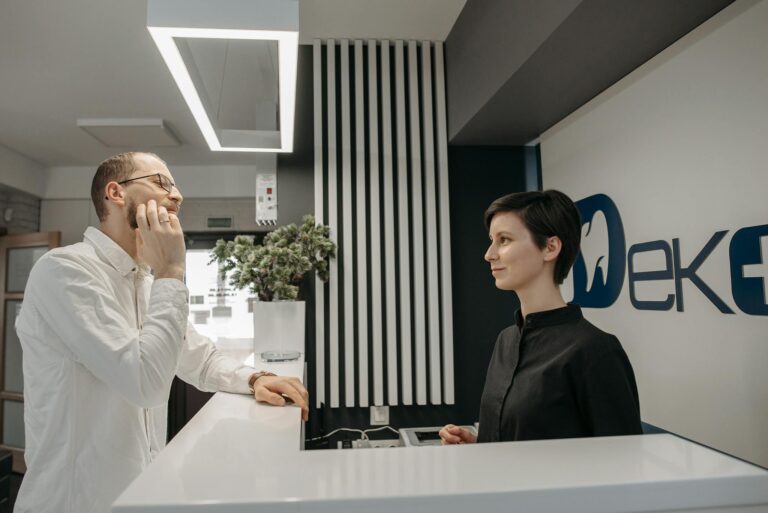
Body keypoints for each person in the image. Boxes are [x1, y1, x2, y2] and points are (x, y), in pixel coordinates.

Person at [14, 152, 309, 513]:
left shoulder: (143, 280)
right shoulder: (65, 271)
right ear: (116, 192)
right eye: (161, 182)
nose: (177, 195)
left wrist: (254, 378)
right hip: (77, 502)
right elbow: (145, 383)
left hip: (139, 493)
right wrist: (171, 269)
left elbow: (196, 357)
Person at [440, 190, 641, 445]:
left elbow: (624, 462)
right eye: (492, 240)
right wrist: (482, 446)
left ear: (550, 247)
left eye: (504, 240)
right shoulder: (507, 340)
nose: (489, 254)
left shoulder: (595, 350)